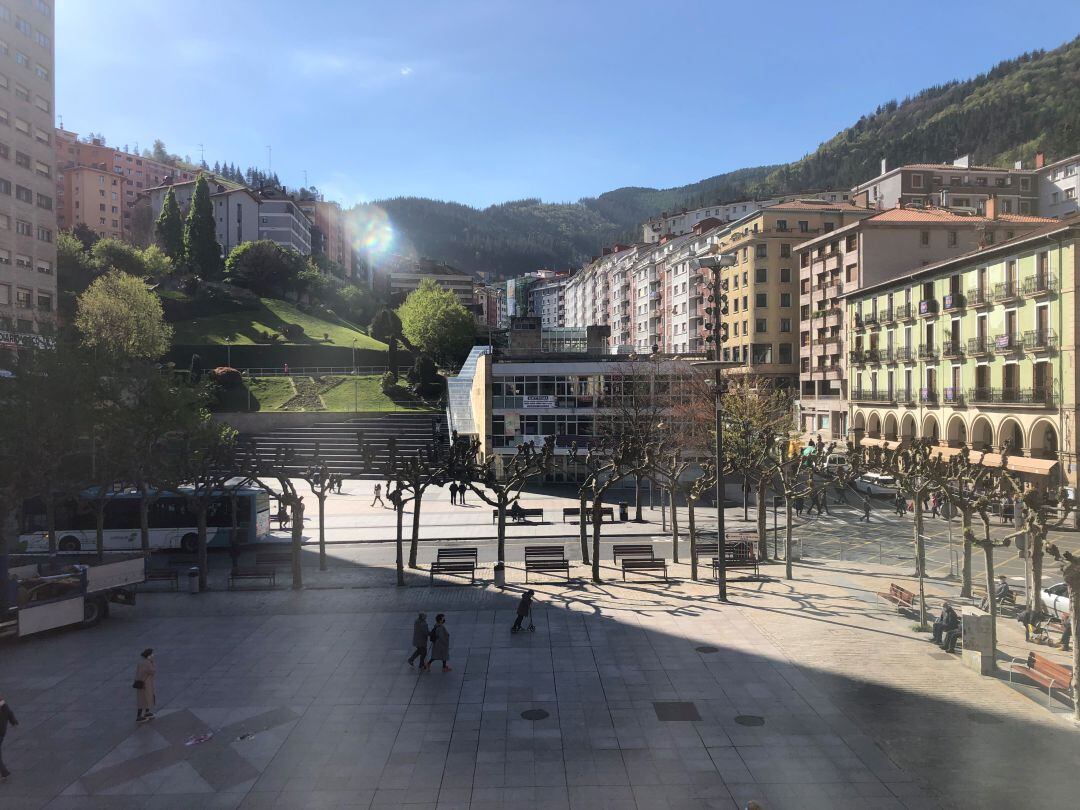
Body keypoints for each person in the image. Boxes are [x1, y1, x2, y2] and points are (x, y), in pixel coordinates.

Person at [134, 648, 156, 724]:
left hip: (142, 683)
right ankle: (139, 716)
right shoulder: (147, 663)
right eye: (151, 654)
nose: (153, 655)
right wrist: (152, 662)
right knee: (144, 700)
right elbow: (153, 671)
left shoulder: (141, 662)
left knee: (146, 699)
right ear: (148, 656)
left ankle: (147, 712)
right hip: (146, 685)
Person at [0, 695, 17, 782]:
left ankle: (4, 773)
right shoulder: (4, 705)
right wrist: (14, 723)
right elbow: (10, 713)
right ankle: (3, 773)